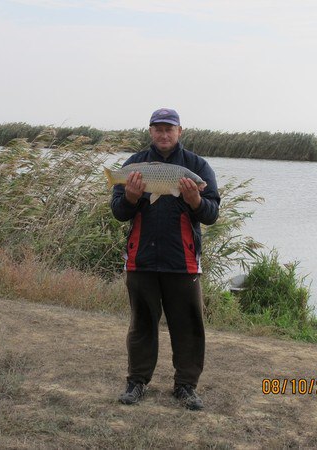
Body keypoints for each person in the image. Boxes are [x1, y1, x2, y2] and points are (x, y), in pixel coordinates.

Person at [110, 108, 220, 410]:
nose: (163, 134)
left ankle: (186, 386)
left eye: (169, 129)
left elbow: (212, 214)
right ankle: (136, 382)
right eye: (158, 129)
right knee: (142, 324)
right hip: (141, 258)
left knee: (188, 326)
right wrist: (131, 197)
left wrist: (195, 200)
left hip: (182, 261)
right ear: (150, 132)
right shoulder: (134, 165)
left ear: (179, 131)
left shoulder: (197, 167)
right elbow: (118, 212)